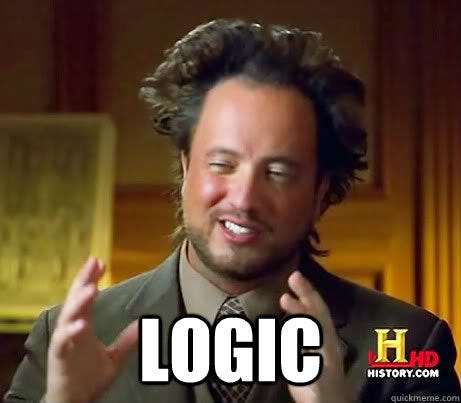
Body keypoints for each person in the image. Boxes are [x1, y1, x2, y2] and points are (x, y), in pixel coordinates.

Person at [4, 18, 460, 403]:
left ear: (321, 190)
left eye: (277, 172)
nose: (243, 199)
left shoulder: (408, 348)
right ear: (186, 166)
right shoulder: (68, 340)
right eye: (222, 164)